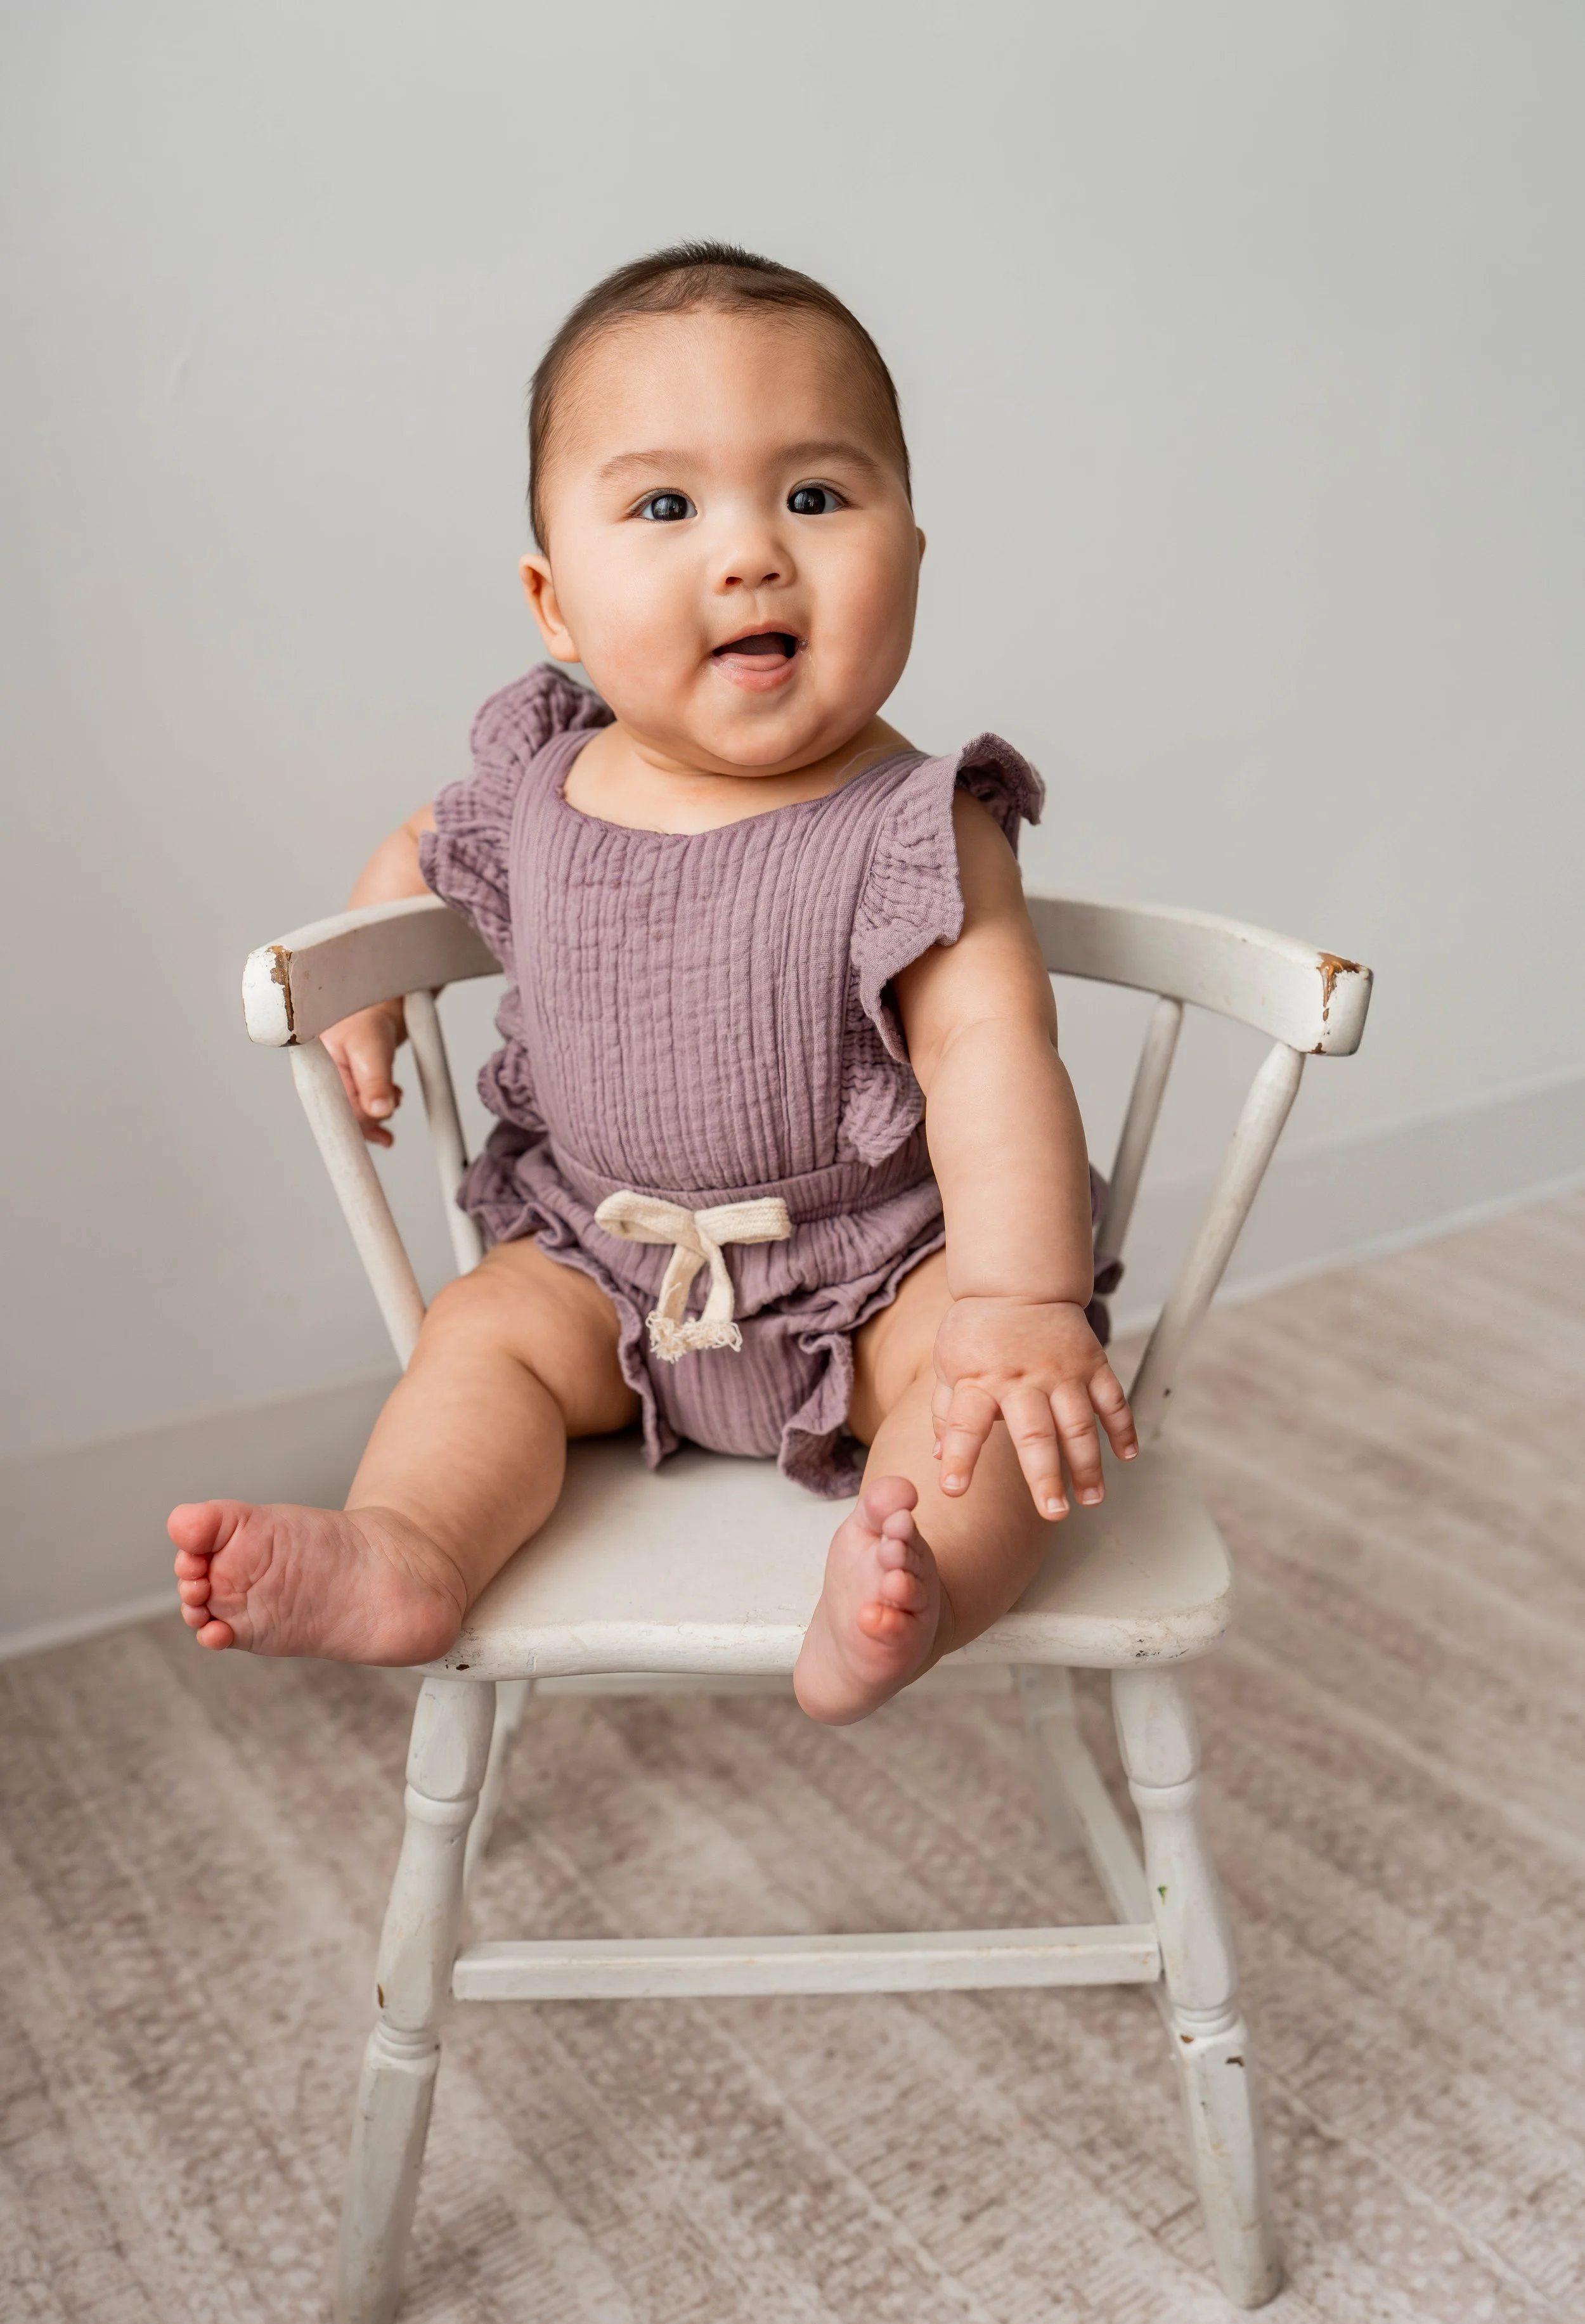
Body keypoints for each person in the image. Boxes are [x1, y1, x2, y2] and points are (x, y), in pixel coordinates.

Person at [167, 243, 1136, 1724]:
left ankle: (912, 1594)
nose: (749, 554)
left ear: (912, 553)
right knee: (479, 1339)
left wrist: (1015, 1298)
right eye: (666, 507)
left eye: (814, 496)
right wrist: (363, 985)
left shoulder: (916, 826)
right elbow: (420, 846)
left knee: (985, 1407)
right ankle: (410, 1547)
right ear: (554, 604)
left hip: (871, 1273)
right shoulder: (537, 788)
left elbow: (992, 1051)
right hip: (598, 1262)